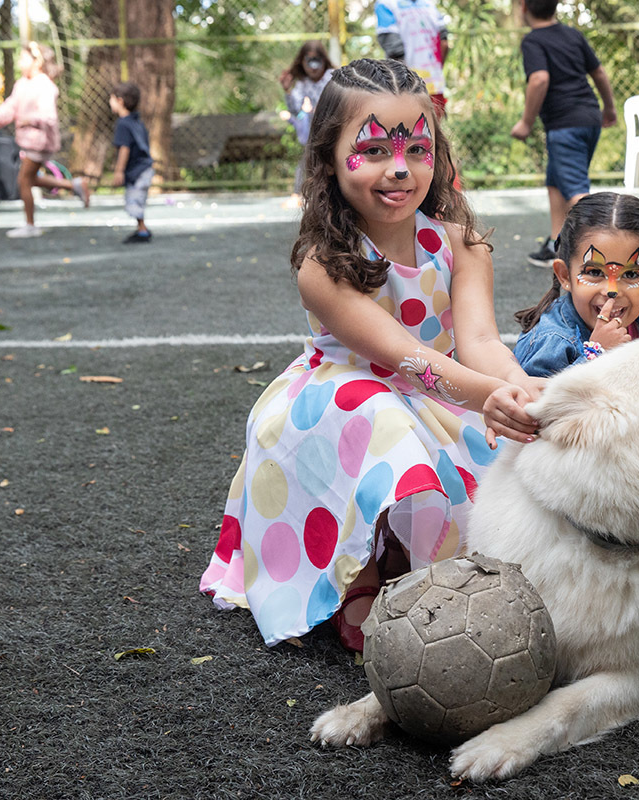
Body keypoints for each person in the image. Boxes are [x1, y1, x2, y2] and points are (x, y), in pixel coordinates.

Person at [199, 59, 544, 652]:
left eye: (418, 146)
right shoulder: (322, 261)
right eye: (375, 150)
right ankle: (362, 574)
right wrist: (493, 397)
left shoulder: (461, 242)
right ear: (329, 157)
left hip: (442, 394)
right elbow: (404, 357)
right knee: (383, 419)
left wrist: (520, 388)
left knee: (504, 464)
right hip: (340, 399)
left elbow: (482, 341)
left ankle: (418, 569)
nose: (401, 169)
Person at [513, 192, 639, 377]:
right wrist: (596, 354)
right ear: (565, 275)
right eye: (595, 272)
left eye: (630, 274)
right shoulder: (552, 340)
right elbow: (534, 402)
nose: (611, 291)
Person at [511, 0, 617, 269]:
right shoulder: (573, 35)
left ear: (523, 7)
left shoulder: (533, 41)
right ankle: (556, 243)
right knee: (556, 182)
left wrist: (526, 122)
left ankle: (605, 250)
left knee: (577, 193)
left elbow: (539, 79)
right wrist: (609, 108)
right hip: (589, 117)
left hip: (564, 124)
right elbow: (599, 73)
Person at [0, 41, 90, 238]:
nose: (20, 62)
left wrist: (28, 120)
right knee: (31, 179)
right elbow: (10, 108)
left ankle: (30, 224)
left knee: (23, 180)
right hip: (28, 141)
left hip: (40, 142)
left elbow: (49, 117)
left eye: (23, 58)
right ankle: (74, 185)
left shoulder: (45, 85)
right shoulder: (22, 83)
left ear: (37, 61)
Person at [278, 41, 334, 207]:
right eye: (309, 61)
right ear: (302, 62)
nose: (313, 66)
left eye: (317, 60)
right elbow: (295, 110)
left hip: (333, 130)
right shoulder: (303, 83)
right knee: (308, 159)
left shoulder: (332, 76)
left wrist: (320, 109)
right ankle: (299, 193)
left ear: (324, 60)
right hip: (313, 134)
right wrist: (287, 91)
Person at [375, 0, 449, 116]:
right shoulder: (430, 5)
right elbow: (444, 44)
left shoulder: (386, 4)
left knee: (409, 130)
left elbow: (395, 50)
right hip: (434, 84)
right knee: (434, 130)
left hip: (407, 89)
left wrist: (404, 83)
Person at [108, 82, 155, 244]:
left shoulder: (123, 124)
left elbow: (124, 149)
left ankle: (142, 231)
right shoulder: (137, 121)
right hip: (145, 167)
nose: (110, 102)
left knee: (134, 199)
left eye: (112, 98)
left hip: (138, 170)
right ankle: (141, 227)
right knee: (137, 197)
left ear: (120, 101)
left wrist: (119, 171)